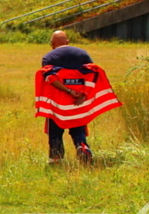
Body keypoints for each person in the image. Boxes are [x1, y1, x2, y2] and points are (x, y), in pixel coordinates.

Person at [35, 30, 120, 164]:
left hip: (58, 102)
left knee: (55, 131)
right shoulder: (82, 54)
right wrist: (84, 94)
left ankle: (56, 158)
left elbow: (50, 78)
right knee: (78, 126)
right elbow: (92, 74)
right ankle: (82, 146)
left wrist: (68, 91)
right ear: (67, 42)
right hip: (78, 101)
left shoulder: (49, 58)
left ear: (52, 44)